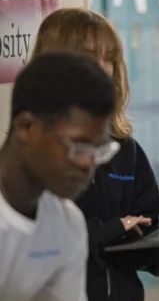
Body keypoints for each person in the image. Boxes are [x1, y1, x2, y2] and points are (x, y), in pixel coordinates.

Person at [32, 8, 159, 301]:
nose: (103, 69)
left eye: (109, 59)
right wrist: (111, 230)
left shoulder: (125, 149)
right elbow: (37, 243)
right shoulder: (32, 149)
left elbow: (144, 250)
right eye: (90, 57)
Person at [0, 51, 117, 301]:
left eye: (98, 150)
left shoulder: (67, 224)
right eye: (78, 146)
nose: (89, 164)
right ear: (27, 128)